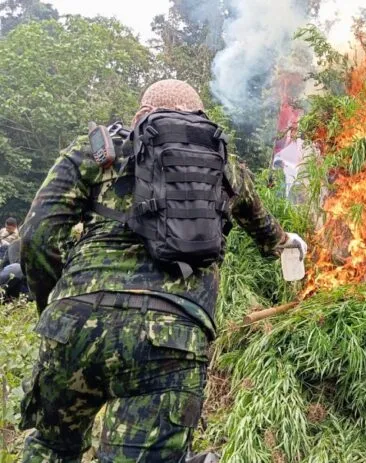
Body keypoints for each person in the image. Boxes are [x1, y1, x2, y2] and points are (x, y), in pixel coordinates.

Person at [19, 79, 308, 461]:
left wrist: (57, 308)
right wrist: (290, 242)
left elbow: (36, 237)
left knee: (51, 447)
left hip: (74, 326)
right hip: (172, 338)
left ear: (140, 115)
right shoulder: (224, 166)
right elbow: (269, 236)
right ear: (200, 120)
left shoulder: (97, 150)